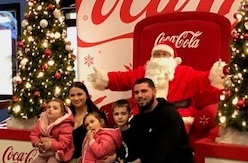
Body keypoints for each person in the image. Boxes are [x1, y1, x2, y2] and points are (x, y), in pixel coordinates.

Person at [87, 43, 225, 122]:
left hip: (178, 113)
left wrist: (216, 74)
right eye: (157, 55)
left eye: (164, 55)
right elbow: (122, 78)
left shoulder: (185, 72)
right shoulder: (143, 72)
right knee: (135, 126)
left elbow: (202, 79)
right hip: (146, 112)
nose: (160, 58)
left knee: (176, 129)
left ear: (172, 58)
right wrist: (103, 78)